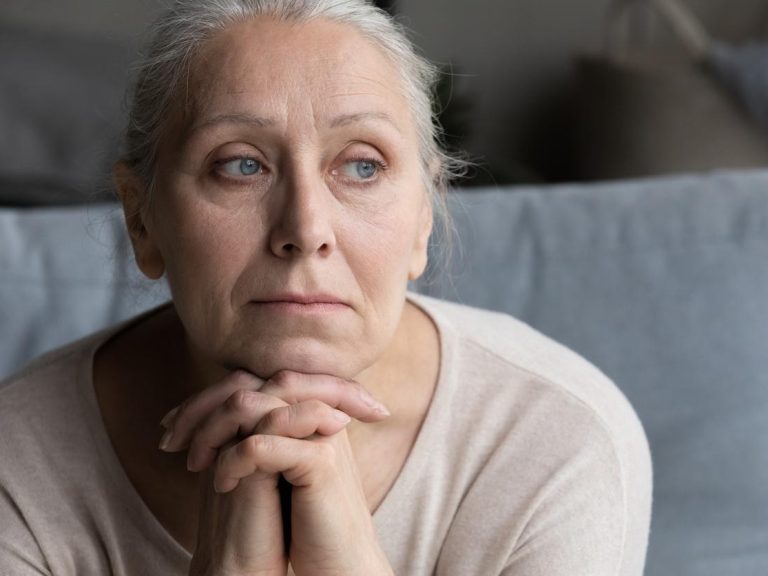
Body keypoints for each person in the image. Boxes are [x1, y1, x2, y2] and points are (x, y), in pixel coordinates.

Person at [0, 1, 652, 574]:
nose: (305, 228)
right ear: (142, 220)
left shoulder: (554, 440)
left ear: (423, 216)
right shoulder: (18, 461)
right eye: (240, 165)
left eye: (362, 165)